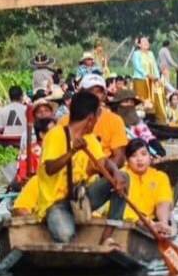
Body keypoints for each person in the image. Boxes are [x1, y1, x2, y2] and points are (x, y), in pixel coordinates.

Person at [11, 90, 114, 243]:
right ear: (91, 118)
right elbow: (50, 168)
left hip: (81, 198)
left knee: (122, 180)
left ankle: (108, 235)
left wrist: (116, 173)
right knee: (65, 236)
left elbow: (103, 163)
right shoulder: (56, 135)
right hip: (57, 204)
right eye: (97, 117)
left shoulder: (90, 139)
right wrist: (72, 151)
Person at [96, 138, 175, 246]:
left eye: (143, 154)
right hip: (126, 223)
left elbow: (163, 202)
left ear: (150, 157)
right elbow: (116, 207)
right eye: (134, 156)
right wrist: (146, 222)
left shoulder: (160, 177)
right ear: (127, 160)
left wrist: (163, 223)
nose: (139, 159)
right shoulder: (121, 176)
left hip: (150, 223)